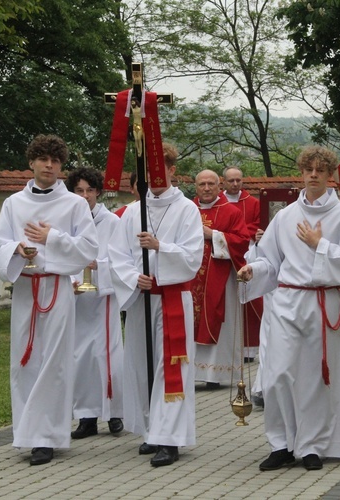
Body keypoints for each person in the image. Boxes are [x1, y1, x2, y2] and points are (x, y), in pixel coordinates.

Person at [237, 145, 340, 472]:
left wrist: (319, 245)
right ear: (301, 173)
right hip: (287, 300)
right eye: (307, 170)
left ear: (329, 175)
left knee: (314, 377)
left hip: (323, 301)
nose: (312, 175)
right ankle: (280, 443)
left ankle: (310, 446)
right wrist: (254, 269)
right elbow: (270, 258)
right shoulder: (285, 216)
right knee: (277, 372)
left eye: (319, 170)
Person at [0, 134, 98, 466]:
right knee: (24, 359)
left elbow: (90, 249)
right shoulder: (13, 204)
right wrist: (17, 250)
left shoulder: (74, 205)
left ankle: (47, 438)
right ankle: (26, 432)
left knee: (54, 362)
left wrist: (53, 237)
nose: (49, 165)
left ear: (61, 166)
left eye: (55, 161)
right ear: (31, 162)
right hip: (25, 289)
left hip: (58, 288)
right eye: (43, 159)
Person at [108, 143, 203, 467]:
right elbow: (116, 255)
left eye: (161, 168)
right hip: (141, 301)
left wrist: (160, 247)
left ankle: (171, 440)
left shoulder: (187, 209)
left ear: (173, 170)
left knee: (170, 369)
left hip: (172, 298)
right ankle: (152, 430)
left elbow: (193, 256)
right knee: (142, 365)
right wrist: (135, 277)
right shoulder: (134, 211)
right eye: (149, 170)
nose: (156, 176)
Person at [65, 168, 124, 440]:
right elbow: (61, 255)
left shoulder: (111, 222)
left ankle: (114, 413)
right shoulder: (67, 220)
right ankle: (86, 417)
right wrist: (71, 282)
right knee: (80, 358)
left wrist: (97, 266)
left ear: (98, 191)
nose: (85, 195)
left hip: (103, 299)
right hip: (77, 300)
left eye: (90, 190)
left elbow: (122, 260)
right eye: (79, 190)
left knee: (106, 356)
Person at [192, 170, 252, 388]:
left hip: (221, 278)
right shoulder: (187, 210)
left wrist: (214, 235)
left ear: (219, 186)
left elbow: (242, 241)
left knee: (219, 319)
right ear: (195, 187)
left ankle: (215, 376)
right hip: (190, 279)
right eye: (202, 184)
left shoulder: (231, 211)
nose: (206, 188)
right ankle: (191, 373)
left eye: (211, 184)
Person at [222, 165, 263, 362]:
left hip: (247, 256)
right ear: (224, 182)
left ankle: (248, 350)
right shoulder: (217, 202)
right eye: (231, 180)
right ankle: (227, 347)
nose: (236, 184)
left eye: (239, 180)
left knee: (250, 302)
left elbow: (258, 225)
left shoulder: (253, 203)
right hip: (224, 256)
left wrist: (241, 234)